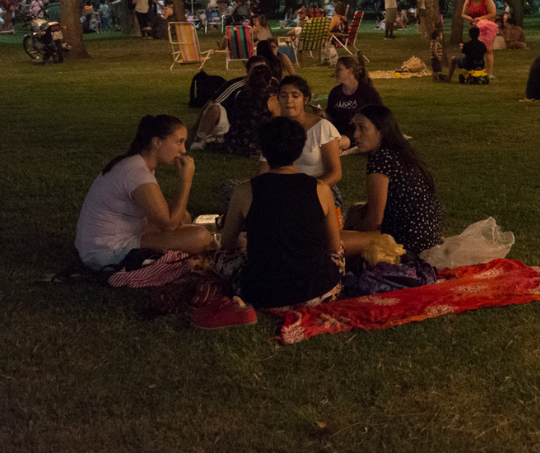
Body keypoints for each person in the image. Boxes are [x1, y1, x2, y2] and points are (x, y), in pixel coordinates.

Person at [222, 117, 343, 309]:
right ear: (300, 149)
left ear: (262, 150)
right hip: (319, 291)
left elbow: (226, 244)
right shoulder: (320, 189)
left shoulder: (245, 190)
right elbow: (335, 246)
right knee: (338, 255)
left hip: (263, 294)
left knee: (222, 260)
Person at [75, 115, 212, 269]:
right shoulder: (137, 173)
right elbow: (169, 224)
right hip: (105, 252)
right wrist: (186, 181)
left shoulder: (137, 164)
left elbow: (164, 217)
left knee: (184, 216)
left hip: (107, 241)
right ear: (157, 142)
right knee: (201, 237)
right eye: (179, 142)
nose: (183, 150)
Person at [340, 106, 444, 256]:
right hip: (428, 234)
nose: (355, 134)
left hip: (406, 241)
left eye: (362, 128)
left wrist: (353, 231)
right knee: (356, 210)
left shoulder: (381, 160)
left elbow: (374, 220)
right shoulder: (400, 152)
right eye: (355, 127)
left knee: (332, 243)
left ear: (380, 131)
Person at [258, 76, 343, 207]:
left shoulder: (322, 128)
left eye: (295, 96)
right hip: (281, 189)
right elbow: (263, 171)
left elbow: (335, 173)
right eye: (284, 96)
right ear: (278, 99)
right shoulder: (274, 129)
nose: (289, 101)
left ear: (305, 99)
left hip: (317, 189)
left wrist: (302, 191)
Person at [221, 64, 281, 158]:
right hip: (256, 145)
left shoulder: (240, 96)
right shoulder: (271, 101)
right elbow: (277, 125)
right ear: (269, 82)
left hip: (233, 142)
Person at [326, 56, 383, 148]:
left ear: (350, 71)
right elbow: (330, 114)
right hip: (337, 129)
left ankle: (334, 146)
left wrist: (360, 118)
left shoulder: (366, 91)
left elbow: (380, 113)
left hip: (356, 130)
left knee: (335, 142)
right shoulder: (335, 92)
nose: (336, 73)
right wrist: (322, 115)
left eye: (339, 69)